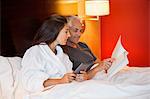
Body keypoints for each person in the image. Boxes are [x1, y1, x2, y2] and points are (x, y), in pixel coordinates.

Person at [21, 14, 76, 93]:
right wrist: (60, 81)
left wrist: (75, 77)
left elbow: (68, 74)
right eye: (66, 31)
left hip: (65, 89)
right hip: (47, 93)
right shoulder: (35, 52)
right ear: (55, 31)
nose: (69, 35)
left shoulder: (62, 54)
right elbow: (30, 82)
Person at [62, 16, 114, 81]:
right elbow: (74, 76)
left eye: (81, 31)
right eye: (75, 30)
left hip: (103, 73)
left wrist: (106, 64)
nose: (79, 34)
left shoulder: (83, 45)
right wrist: (96, 69)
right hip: (93, 78)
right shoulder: (64, 51)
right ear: (66, 30)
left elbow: (98, 62)